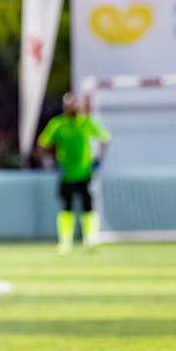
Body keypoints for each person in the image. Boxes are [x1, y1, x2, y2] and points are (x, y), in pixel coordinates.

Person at [38, 92, 111, 251]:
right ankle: (65, 241)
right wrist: (49, 159)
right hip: (66, 172)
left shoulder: (86, 122)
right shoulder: (58, 124)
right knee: (67, 207)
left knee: (88, 206)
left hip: (85, 171)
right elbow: (43, 142)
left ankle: (90, 238)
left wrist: (99, 159)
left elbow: (105, 138)